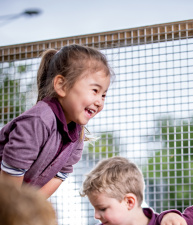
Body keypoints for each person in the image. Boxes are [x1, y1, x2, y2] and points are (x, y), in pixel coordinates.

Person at [0, 44, 112, 198]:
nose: (99, 101)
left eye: (103, 95)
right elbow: (11, 177)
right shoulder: (38, 121)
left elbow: (59, 175)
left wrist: (32, 207)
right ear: (61, 85)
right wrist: (15, 213)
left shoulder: (77, 137)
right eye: (95, 90)